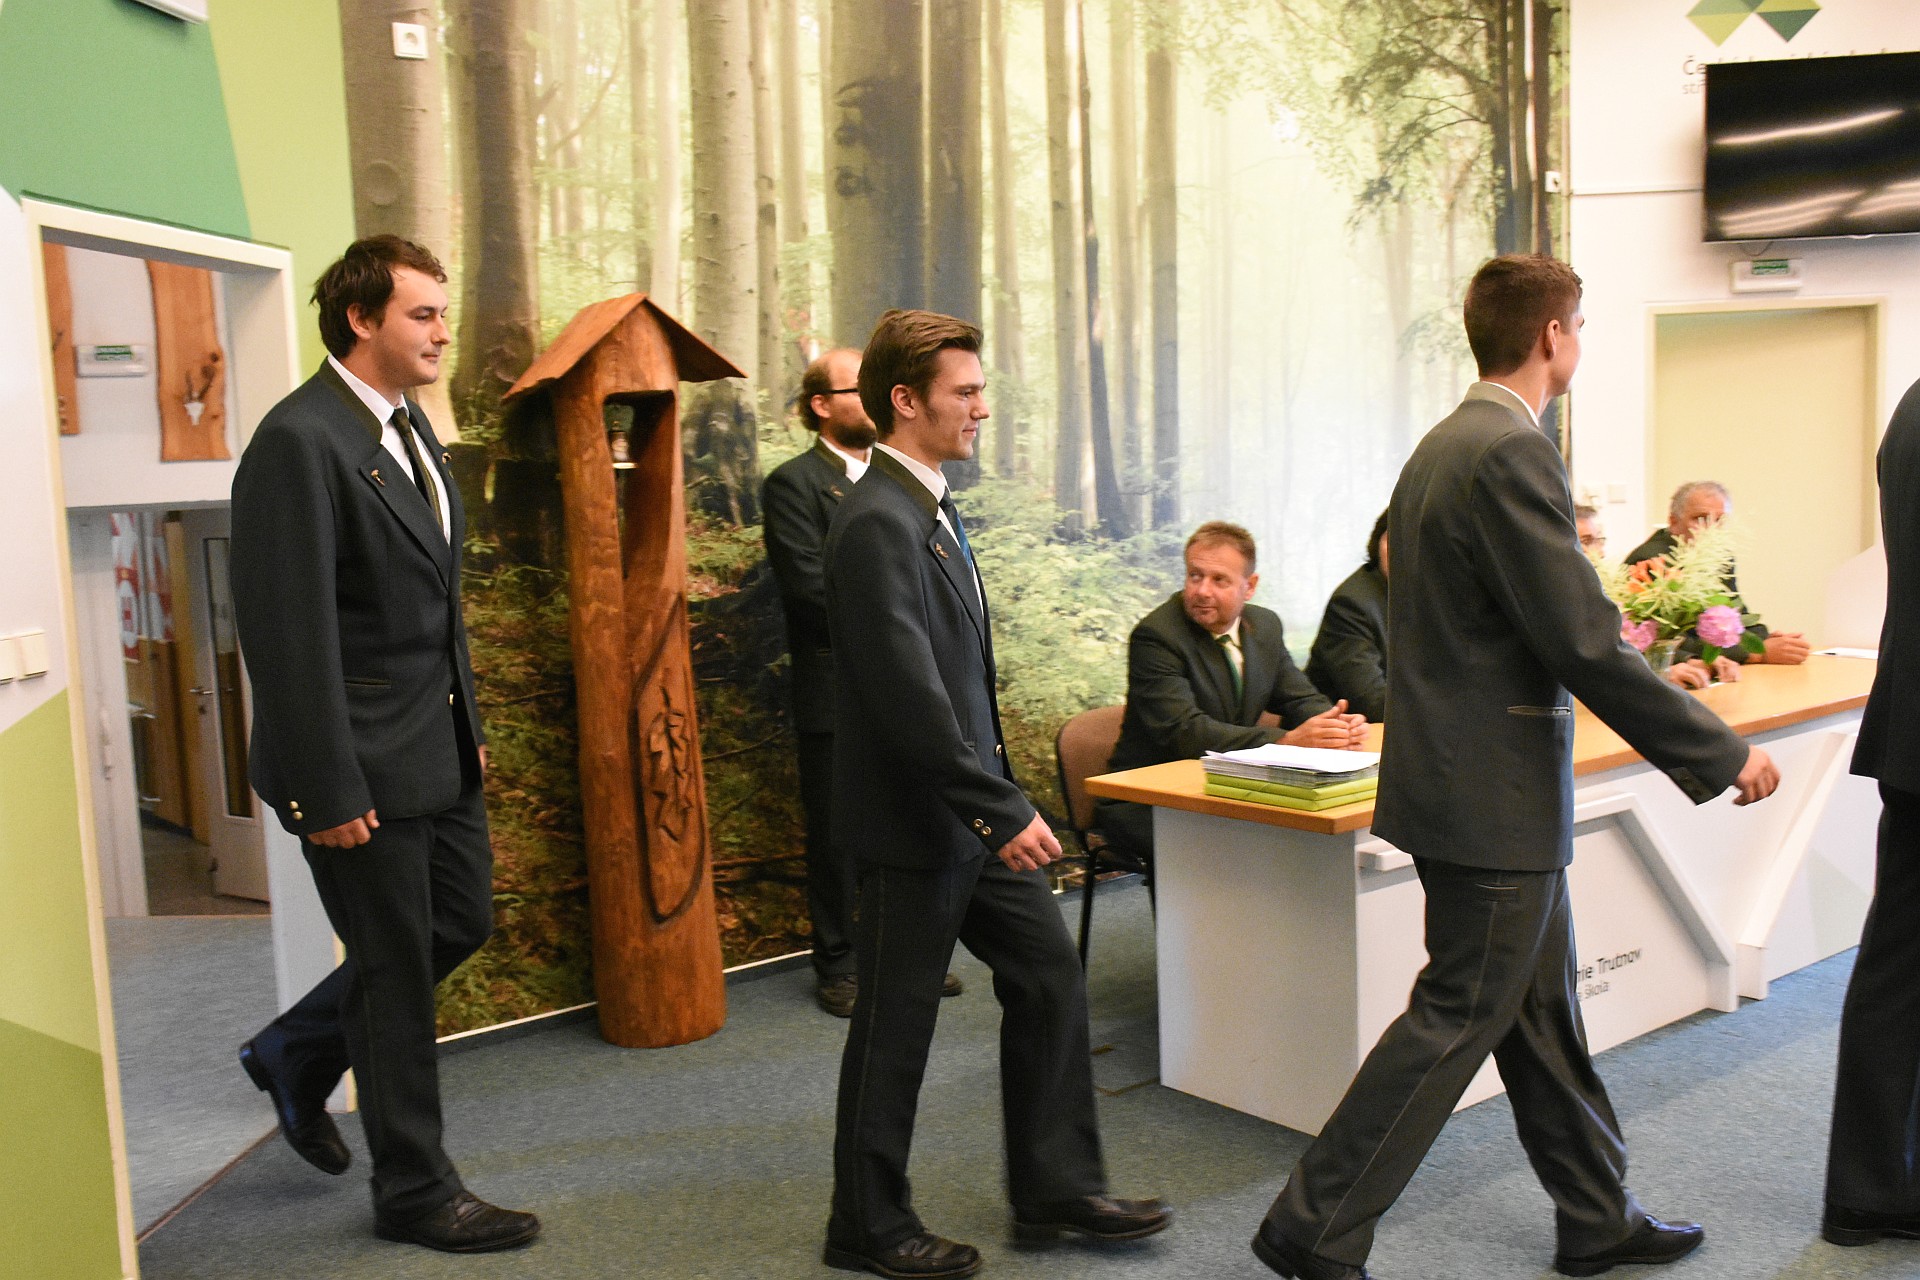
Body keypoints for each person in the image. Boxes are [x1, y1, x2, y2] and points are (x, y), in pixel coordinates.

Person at [1252, 254, 1779, 1280]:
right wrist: (1719, 751)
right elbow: (1582, 637)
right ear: (1552, 335)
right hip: (1488, 795)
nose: (1580, 343)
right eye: (1580, 325)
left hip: (1469, 785)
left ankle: (1597, 1214)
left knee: (1537, 1014)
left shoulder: (1446, 444)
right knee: (1458, 1013)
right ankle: (1311, 1223)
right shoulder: (1510, 449)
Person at [822, 309, 1170, 1279]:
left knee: (1049, 975)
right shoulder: (876, 522)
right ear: (906, 400)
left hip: (969, 818)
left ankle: (1056, 1184)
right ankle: (866, 1223)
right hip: (917, 824)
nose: (983, 407)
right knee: (895, 1024)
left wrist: (995, 802)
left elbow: (957, 680)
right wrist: (1000, 807)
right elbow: (906, 696)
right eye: (966, 392)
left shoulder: (929, 506)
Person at [229, 237, 538, 1253]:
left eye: (444, 313)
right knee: (396, 972)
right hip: (355, 762)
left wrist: (466, 728)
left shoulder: (411, 431)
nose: (444, 332)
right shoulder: (299, 438)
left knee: (460, 920)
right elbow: (286, 633)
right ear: (361, 319)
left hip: (434, 749)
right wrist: (325, 786)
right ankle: (414, 1189)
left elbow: (439, 609)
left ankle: (295, 1047)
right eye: (423, 314)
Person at [761, 348, 962, 1018]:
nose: (872, 400)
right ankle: (840, 965)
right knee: (837, 837)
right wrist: (899, 626)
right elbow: (809, 591)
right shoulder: (794, 485)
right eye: (856, 389)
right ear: (822, 405)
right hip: (837, 694)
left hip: (911, 689)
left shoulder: (901, 480)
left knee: (908, 824)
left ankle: (907, 955)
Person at [1099, 522, 1368, 868]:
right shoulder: (1157, 636)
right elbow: (1185, 732)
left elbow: (1299, 698)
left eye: (1219, 580)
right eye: (1195, 576)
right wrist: (1286, 741)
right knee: (1258, 849)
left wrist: (1336, 726)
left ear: (1249, 586)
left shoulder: (1264, 626)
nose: (1202, 591)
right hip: (1150, 798)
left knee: (1307, 837)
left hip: (1229, 784)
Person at [1822, 374, 1920, 1252]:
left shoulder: (1912, 407)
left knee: (1898, 963)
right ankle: (1874, 1186)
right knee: (1901, 966)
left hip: (1912, 727)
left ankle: (1870, 1187)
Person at [1623, 481, 1810, 665]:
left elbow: (1735, 616)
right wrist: (1755, 653)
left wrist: (1766, 639)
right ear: (1673, 521)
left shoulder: (1719, 556)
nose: (1711, 528)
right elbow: (1667, 639)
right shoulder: (1651, 560)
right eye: (1700, 518)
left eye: (1719, 520)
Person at [1583, 503, 1739, 691]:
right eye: (1586, 541)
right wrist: (1658, 671)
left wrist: (1689, 659)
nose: (1599, 552)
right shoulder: (1650, 557)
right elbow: (1594, 655)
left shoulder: (1601, 587)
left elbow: (1633, 641)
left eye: (1598, 540)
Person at [1305, 511, 1390, 721]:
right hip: (1341, 732)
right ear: (1377, 543)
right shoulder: (1351, 604)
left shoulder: (1434, 597)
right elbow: (1373, 702)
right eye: (1392, 539)